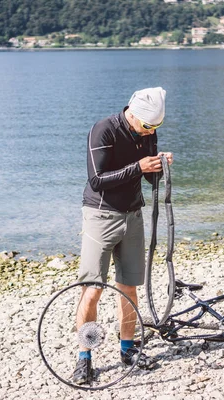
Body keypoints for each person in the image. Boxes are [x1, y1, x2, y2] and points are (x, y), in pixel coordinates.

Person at [73, 87, 173, 384]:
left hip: (132, 215)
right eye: (148, 127)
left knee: (129, 287)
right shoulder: (102, 131)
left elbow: (148, 177)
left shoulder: (147, 132)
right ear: (133, 114)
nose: (150, 133)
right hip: (100, 216)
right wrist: (138, 166)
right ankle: (84, 357)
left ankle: (128, 349)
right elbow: (97, 180)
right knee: (92, 289)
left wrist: (157, 166)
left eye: (156, 128)